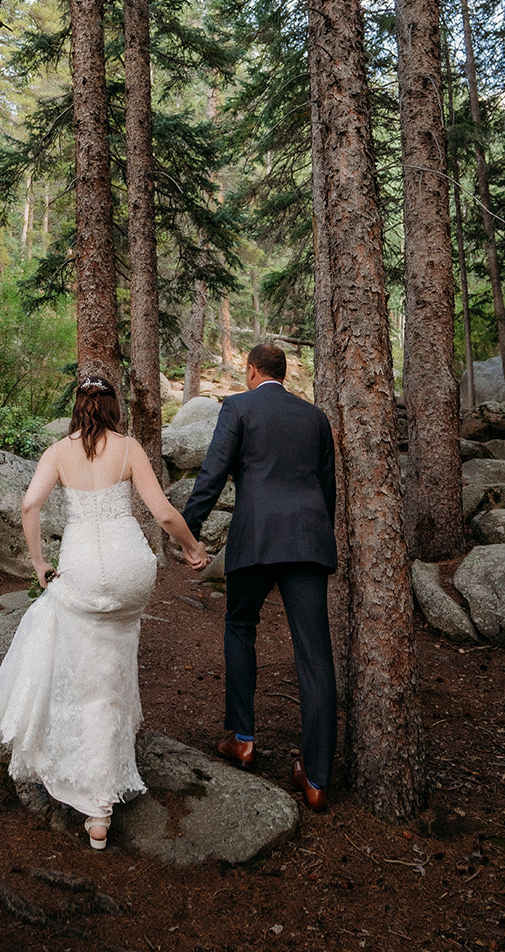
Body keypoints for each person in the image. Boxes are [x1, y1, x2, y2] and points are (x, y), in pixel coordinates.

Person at [0, 375, 208, 849]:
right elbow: (163, 513)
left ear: (78, 407)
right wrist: (192, 548)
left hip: (80, 571)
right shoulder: (128, 449)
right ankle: (103, 793)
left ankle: (86, 792)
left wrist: (39, 563)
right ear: (113, 408)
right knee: (113, 666)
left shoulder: (59, 453)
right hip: (128, 574)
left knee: (73, 656)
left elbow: (28, 504)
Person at [182, 342, 337, 812]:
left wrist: (187, 531)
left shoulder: (238, 407)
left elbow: (213, 473)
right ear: (282, 375)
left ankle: (244, 738)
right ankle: (316, 778)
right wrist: (314, 536)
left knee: (240, 625)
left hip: (255, 540)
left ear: (251, 371)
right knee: (315, 656)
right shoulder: (315, 418)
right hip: (307, 542)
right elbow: (327, 489)